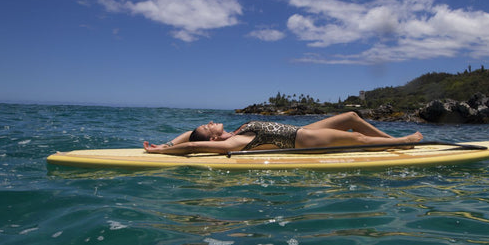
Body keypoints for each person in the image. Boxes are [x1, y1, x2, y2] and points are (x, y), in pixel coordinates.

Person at [143, 111, 423, 155]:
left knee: (351, 117)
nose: (210, 123)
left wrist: (164, 144)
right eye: (207, 127)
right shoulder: (234, 142)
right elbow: (193, 146)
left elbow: (186, 135)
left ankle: (387, 138)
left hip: (300, 129)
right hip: (303, 140)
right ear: (213, 138)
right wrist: (168, 153)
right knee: (357, 139)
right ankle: (403, 142)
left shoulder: (232, 131)